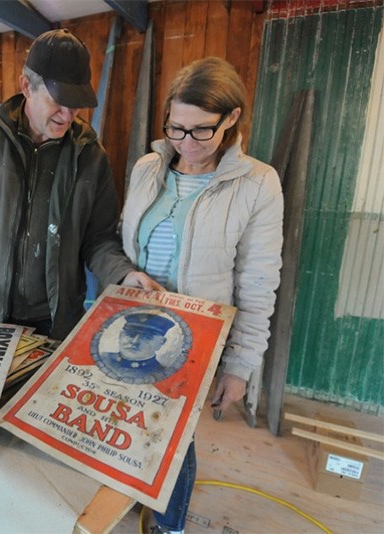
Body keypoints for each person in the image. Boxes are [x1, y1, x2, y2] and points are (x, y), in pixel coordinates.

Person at [120, 57, 283, 533]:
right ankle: (130, 502)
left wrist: (240, 365)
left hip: (195, 337)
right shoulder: (148, 167)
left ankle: (169, 526)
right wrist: (128, 274)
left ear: (231, 119)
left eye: (201, 131)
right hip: (134, 321)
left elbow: (258, 281)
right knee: (130, 425)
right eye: (175, 128)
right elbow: (126, 243)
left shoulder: (257, 183)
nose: (186, 144)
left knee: (174, 441)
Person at [0, 29, 158, 340]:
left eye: (77, 103)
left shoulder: (91, 156)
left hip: (57, 320)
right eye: (59, 101)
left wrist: (123, 274)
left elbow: (99, 239)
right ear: (26, 86)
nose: (68, 115)